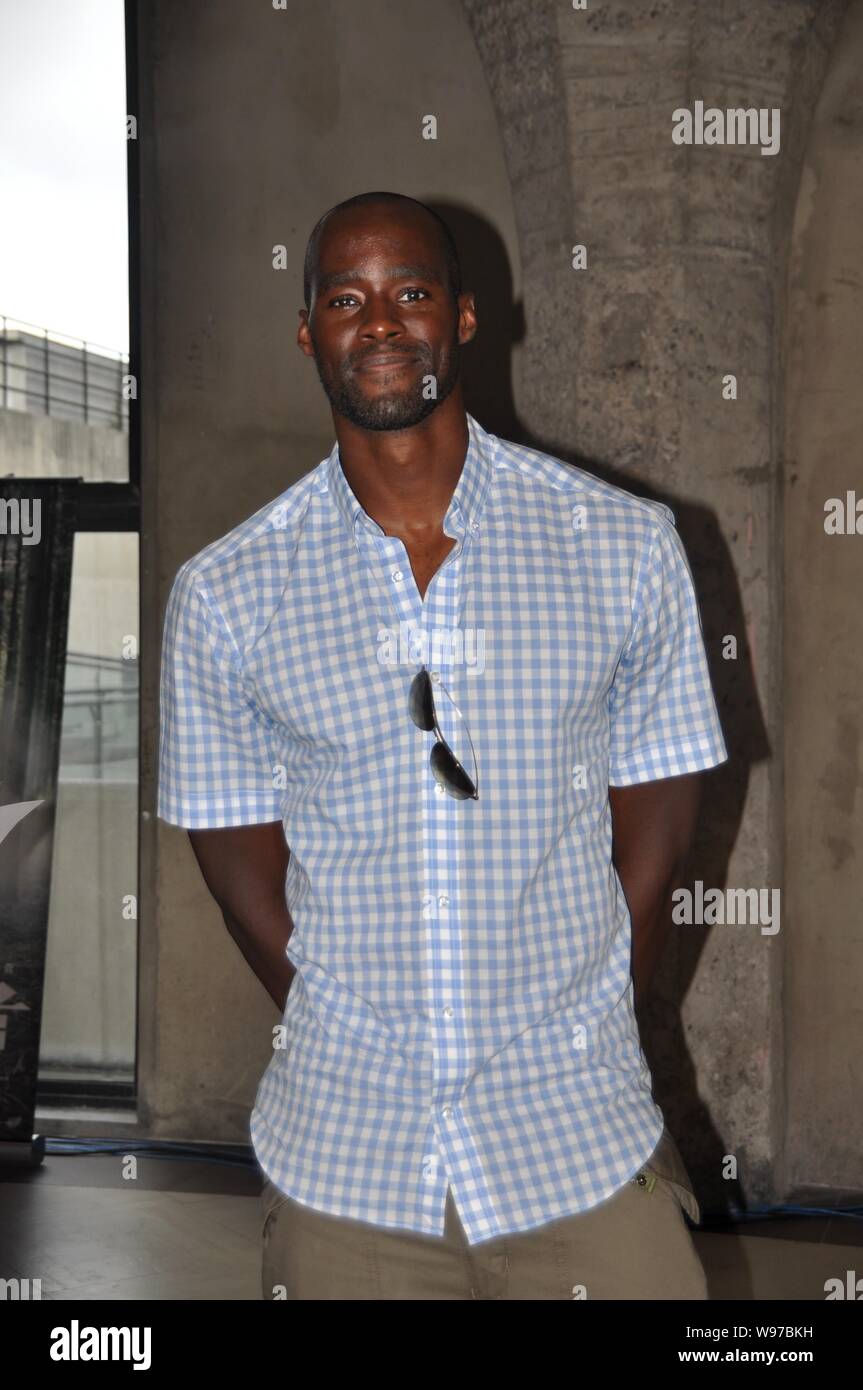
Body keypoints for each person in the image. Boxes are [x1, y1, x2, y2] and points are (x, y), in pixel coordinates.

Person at [157, 190, 728, 1300]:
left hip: (579, 1150)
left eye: (410, 292)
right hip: (347, 1166)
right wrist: (362, 1026)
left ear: (462, 317)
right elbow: (238, 869)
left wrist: (583, 1009)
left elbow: (656, 828)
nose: (379, 323)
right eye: (344, 298)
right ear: (309, 330)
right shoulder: (226, 595)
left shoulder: (619, 546)